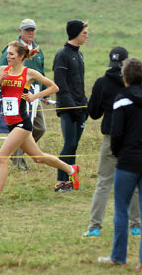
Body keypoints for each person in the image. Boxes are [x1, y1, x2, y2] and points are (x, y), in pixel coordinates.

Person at [0, 41, 79, 210]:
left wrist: (35, 96)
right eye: (7, 54)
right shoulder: (3, 70)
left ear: (21, 57)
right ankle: (71, 170)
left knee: (1, 157)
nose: (8, 56)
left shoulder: (29, 73)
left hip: (22, 123)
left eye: (12, 54)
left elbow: (54, 87)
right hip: (11, 124)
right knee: (38, 157)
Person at [98, 58, 142, 272]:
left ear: (125, 79)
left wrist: (122, 154)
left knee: (121, 210)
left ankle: (118, 257)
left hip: (127, 162)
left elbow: (116, 135)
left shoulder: (121, 102)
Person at [82, 47, 141, 239]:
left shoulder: (102, 83)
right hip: (131, 138)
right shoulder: (138, 82)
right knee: (133, 183)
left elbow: (94, 113)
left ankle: (94, 227)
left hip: (110, 137)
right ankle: (136, 226)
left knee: (103, 183)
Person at [0, 18, 50, 171]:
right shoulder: (11, 49)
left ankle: (20, 151)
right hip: (16, 95)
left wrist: (44, 95)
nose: (30, 32)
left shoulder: (38, 50)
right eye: (27, 30)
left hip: (33, 95)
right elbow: (2, 68)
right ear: (20, 31)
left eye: (32, 29)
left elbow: (42, 72)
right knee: (21, 127)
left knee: (40, 128)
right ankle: (17, 160)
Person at [53, 20, 88, 193]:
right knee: (69, 144)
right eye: (84, 33)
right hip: (68, 108)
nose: (87, 36)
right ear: (75, 34)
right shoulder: (62, 55)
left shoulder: (79, 54)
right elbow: (60, 84)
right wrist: (71, 107)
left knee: (74, 145)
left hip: (81, 107)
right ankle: (61, 182)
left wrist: (85, 103)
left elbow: (78, 83)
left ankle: (71, 182)